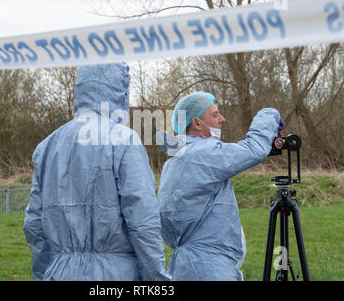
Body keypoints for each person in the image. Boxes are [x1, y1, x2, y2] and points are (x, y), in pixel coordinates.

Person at [23, 63, 171, 281]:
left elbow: (34, 224)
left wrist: (45, 272)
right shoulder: (123, 139)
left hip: (60, 272)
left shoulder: (47, 146)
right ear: (119, 90)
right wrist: (157, 279)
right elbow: (142, 221)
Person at [157, 91, 283, 281]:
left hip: (185, 267)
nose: (222, 119)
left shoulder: (173, 162)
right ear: (197, 123)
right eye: (215, 114)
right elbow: (253, 149)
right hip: (211, 269)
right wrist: (269, 114)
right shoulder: (202, 153)